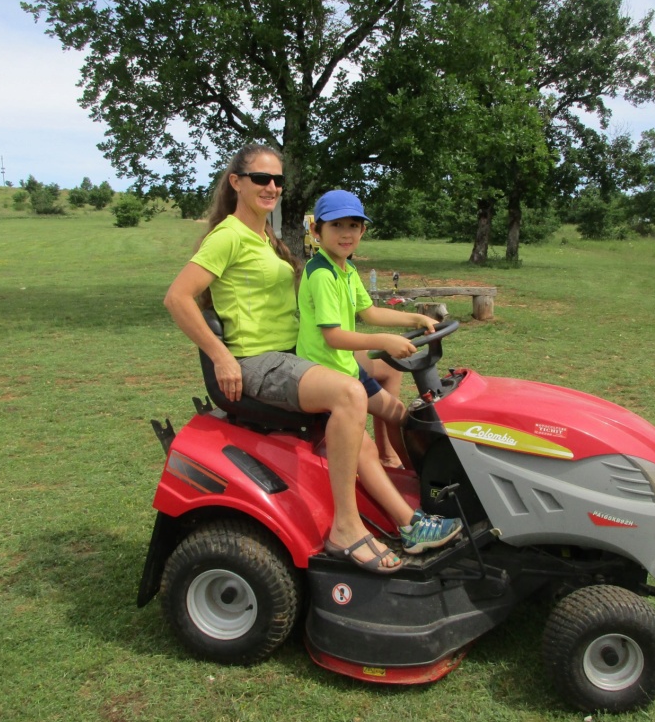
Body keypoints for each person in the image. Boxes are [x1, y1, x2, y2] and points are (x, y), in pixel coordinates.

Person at [163, 145, 460, 574]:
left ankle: (408, 519)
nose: (271, 187)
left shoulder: (266, 237)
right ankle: (345, 528)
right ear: (236, 182)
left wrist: (409, 320)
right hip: (256, 362)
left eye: (278, 180)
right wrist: (221, 356)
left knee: (367, 397)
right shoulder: (228, 235)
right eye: (261, 178)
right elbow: (177, 297)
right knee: (348, 393)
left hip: (289, 357)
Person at [296, 189, 462, 551]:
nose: (346, 233)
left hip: (347, 371)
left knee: (401, 414)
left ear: (362, 231)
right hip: (325, 376)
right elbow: (334, 335)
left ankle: (421, 491)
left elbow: (369, 312)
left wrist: (414, 316)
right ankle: (409, 527)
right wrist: (385, 341)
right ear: (317, 230)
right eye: (336, 225)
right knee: (365, 449)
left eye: (353, 225)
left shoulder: (346, 268)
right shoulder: (321, 272)